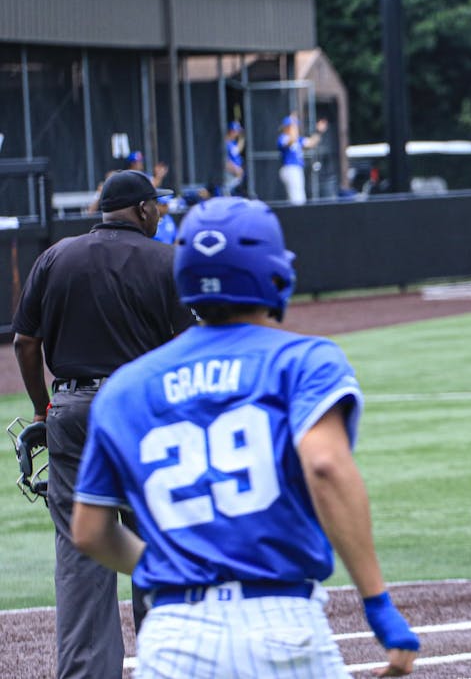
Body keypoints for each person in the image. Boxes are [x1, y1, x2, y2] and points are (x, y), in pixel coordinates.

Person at [70, 196, 420, 678]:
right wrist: (378, 604)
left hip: (172, 633)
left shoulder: (126, 387)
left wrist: (164, 567)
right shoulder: (304, 360)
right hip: (279, 623)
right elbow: (325, 466)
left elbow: (89, 530)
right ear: (272, 272)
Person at [11, 169, 196, 679]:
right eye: (155, 206)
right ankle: (170, 668)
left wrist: (43, 409)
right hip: (144, 416)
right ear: (141, 211)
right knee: (156, 544)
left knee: (80, 553)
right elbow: (190, 351)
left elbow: (25, 342)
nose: (159, 212)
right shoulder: (167, 261)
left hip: (72, 412)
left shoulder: (55, 256)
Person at [277, 113, 327, 205]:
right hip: (290, 169)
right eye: (294, 126)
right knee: (297, 200)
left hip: (297, 169)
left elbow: (311, 143)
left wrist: (318, 131)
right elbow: (289, 141)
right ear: (288, 127)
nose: (296, 128)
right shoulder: (283, 137)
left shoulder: (298, 139)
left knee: (298, 199)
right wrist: (291, 123)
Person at [223, 120, 246, 196]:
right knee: (228, 193)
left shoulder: (232, 142)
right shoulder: (226, 142)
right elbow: (225, 161)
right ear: (232, 131)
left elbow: (237, 150)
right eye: (237, 131)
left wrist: (242, 138)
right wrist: (236, 169)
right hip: (230, 174)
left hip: (236, 174)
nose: (238, 133)